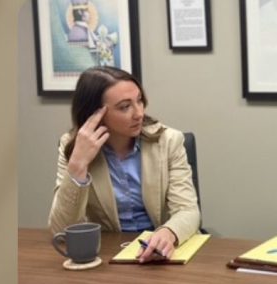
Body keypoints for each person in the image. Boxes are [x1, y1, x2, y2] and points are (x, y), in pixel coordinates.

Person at [48, 66, 200, 263]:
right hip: (107, 257)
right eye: (125, 107)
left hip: (159, 253)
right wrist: (78, 165)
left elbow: (187, 210)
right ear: (95, 113)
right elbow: (62, 230)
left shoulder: (169, 141)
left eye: (139, 101)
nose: (139, 113)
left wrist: (168, 232)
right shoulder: (73, 147)